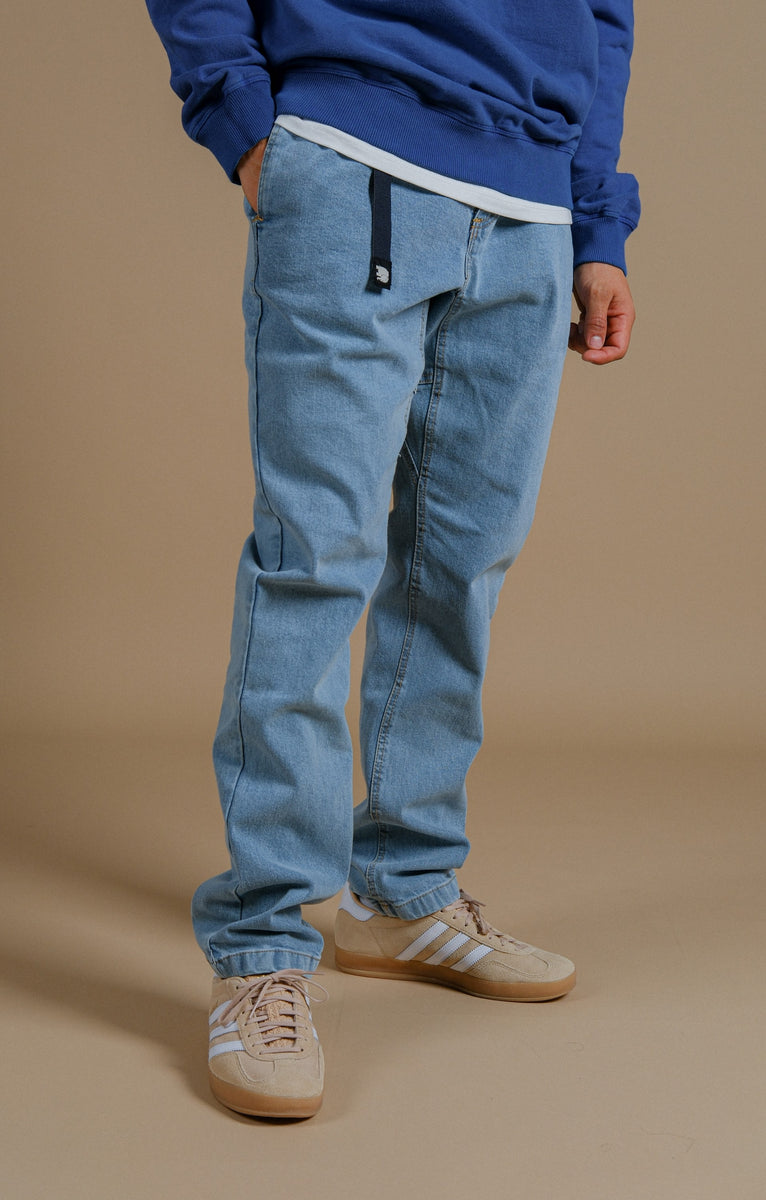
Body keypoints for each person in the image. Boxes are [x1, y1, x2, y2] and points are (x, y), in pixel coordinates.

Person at [146, 0, 639, 1119]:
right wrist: (244, 120)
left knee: (458, 567)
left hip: (530, 210)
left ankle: (405, 894)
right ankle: (262, 949)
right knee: (314, 561)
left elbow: (604, 18)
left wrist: (594, 223)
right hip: (354, 158)